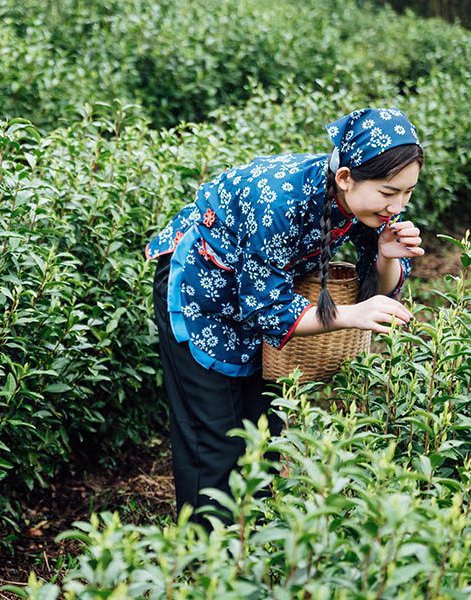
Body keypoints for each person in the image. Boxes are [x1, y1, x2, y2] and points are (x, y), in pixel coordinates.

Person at [146, 107, 425, 528]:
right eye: (389, 193)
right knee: (214, 439)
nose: (397, 205)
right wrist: (349, 315)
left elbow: (381, 287)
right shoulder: (278, 199)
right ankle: (205, 560)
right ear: (346, 177)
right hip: (201, 290)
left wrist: (387, 254)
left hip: (259, 292)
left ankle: (250, 544)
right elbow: (270, 310)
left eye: (407, 193)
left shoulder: (372, 204)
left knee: (263, 430)